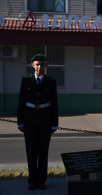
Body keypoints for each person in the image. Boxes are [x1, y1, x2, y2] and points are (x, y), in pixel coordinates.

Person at [17, 54, 58, 190]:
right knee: (31, 151)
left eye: (42, 64)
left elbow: (55, 104)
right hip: (30, 121)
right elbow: (21, 102)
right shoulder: (26, 80)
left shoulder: (51, 81)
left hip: (45, 121)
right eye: (37, 64)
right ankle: (32, 180)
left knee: (43, 152)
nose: (39, 66)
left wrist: (54, 124)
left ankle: (42, 180)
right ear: (32, 65)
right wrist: (20, 122)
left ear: (46, 65)